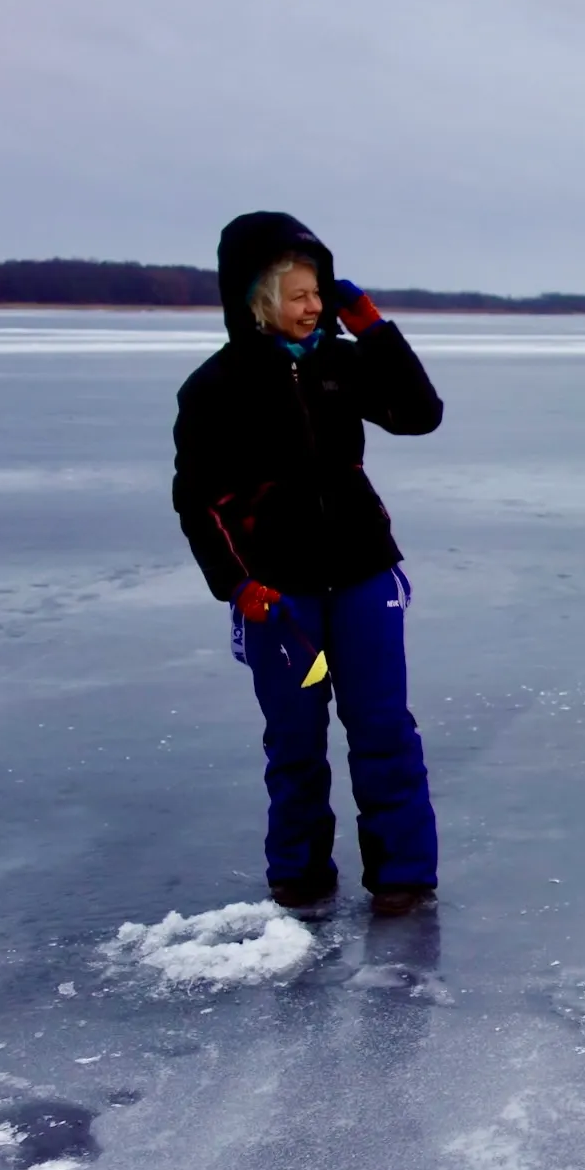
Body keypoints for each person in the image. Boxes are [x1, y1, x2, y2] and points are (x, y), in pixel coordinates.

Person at [173, 212, 444, 917]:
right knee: (295, 737)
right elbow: (198, 501)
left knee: (383, 725)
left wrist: (376, 330)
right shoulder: (215, 387)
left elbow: (420, 413)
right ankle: (299, 872)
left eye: (319, 292)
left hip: (362, 578)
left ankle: (404, 875)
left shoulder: (341, 365)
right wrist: (238, 584)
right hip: (280, 596)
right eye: (299, 294)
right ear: (258, 298)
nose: (315, 306)